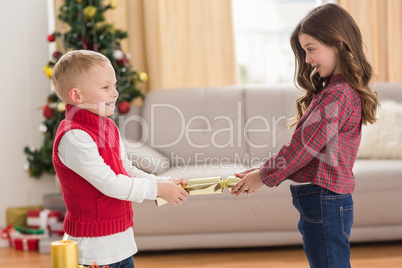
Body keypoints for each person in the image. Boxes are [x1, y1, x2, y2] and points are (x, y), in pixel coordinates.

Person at [231, 3, 379, 267]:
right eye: (305, 51)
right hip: (323, 199)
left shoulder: (337, 94)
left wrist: (263, 176)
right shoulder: (335, 91)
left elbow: (303, 148)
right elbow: (309, 151)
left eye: (311, 49)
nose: (308, 59)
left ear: (337, 43)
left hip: (325, 200)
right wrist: (263, 170)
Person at [51, 50, 188, 268]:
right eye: (106, 87)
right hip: (94, 250)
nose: (115, 93)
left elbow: (126, 169)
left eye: (114, 85)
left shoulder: (109, 127)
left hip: (121, 244)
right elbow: (110, 183)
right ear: (77, 96)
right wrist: (157, 191)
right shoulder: (74, 136)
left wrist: (160, 183)